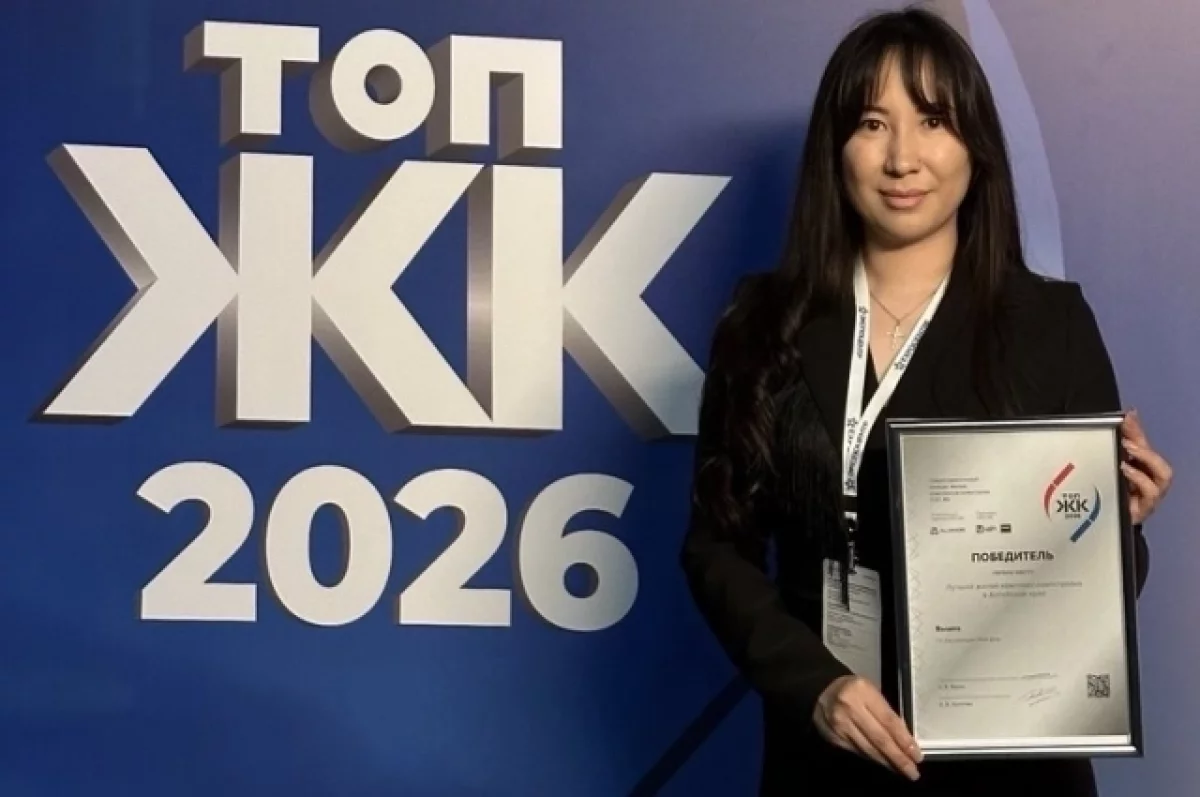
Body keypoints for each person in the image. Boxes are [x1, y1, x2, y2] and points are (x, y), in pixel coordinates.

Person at [679, 6, 1174, 796]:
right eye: (872, 123)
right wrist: (814, 684)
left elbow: (1091, 594)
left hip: (1015, 768)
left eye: (933, 120)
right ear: (836, 148)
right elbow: (715, 547)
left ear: (975, 145)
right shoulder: (763, 320)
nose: (902, 157)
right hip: (830, 757)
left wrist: (1114, 525)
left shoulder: (1050, 324)